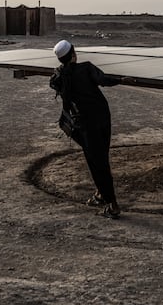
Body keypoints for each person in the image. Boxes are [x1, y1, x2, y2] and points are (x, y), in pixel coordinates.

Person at [49, 40, 122, 219]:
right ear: (73, 54)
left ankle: (101, 194)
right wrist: (121, 80)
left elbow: (55, 84)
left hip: (82, 125)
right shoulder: (86, 68)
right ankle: (112, 205)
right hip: (100, 120)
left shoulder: (59, 76)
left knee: (94, 159)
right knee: (101, 161)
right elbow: (103, 80)